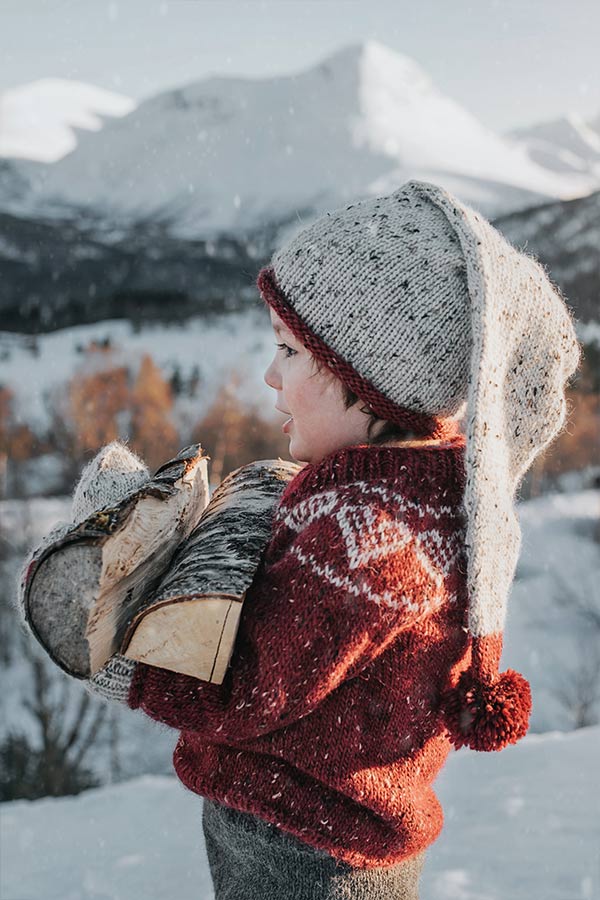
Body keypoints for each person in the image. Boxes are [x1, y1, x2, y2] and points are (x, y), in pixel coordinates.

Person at [17, 180, 581, 899]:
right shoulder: (418, 493)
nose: (270, 376)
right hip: (328, 838)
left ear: (369, 382)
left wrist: (116, 641)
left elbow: (249, 689)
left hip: (301, 854)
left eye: (288, 351)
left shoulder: (359, 539)